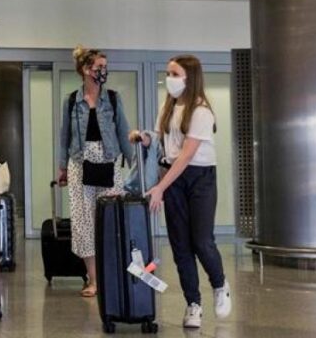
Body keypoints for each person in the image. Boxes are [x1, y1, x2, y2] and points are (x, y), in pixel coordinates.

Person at [130, 55, 231, 329]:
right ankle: (193, 304)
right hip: (172, 177)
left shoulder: (201, 111)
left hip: (199, 177)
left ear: (190, 78)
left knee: (201, 241)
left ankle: (220, 284)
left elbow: (186, 156)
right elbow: (164, 141)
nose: (169, 79)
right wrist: (146, 136)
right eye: (168, 74)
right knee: (180, 246)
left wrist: (160, 188)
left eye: (175, 74)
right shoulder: (169, 106)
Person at [57, 46, 134, 298]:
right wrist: (62, 168)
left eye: (104, 66)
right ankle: (94, 280)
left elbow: (123, 131)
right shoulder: (72, 101)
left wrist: (134, 163)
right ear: (85, 70)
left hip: (108, 160)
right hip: (80, 163)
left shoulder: (112, 98)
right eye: (98, 67)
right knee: (83, 222)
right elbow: (64, 137)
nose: (103, 71)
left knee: (112, 219)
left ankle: (111, 275)